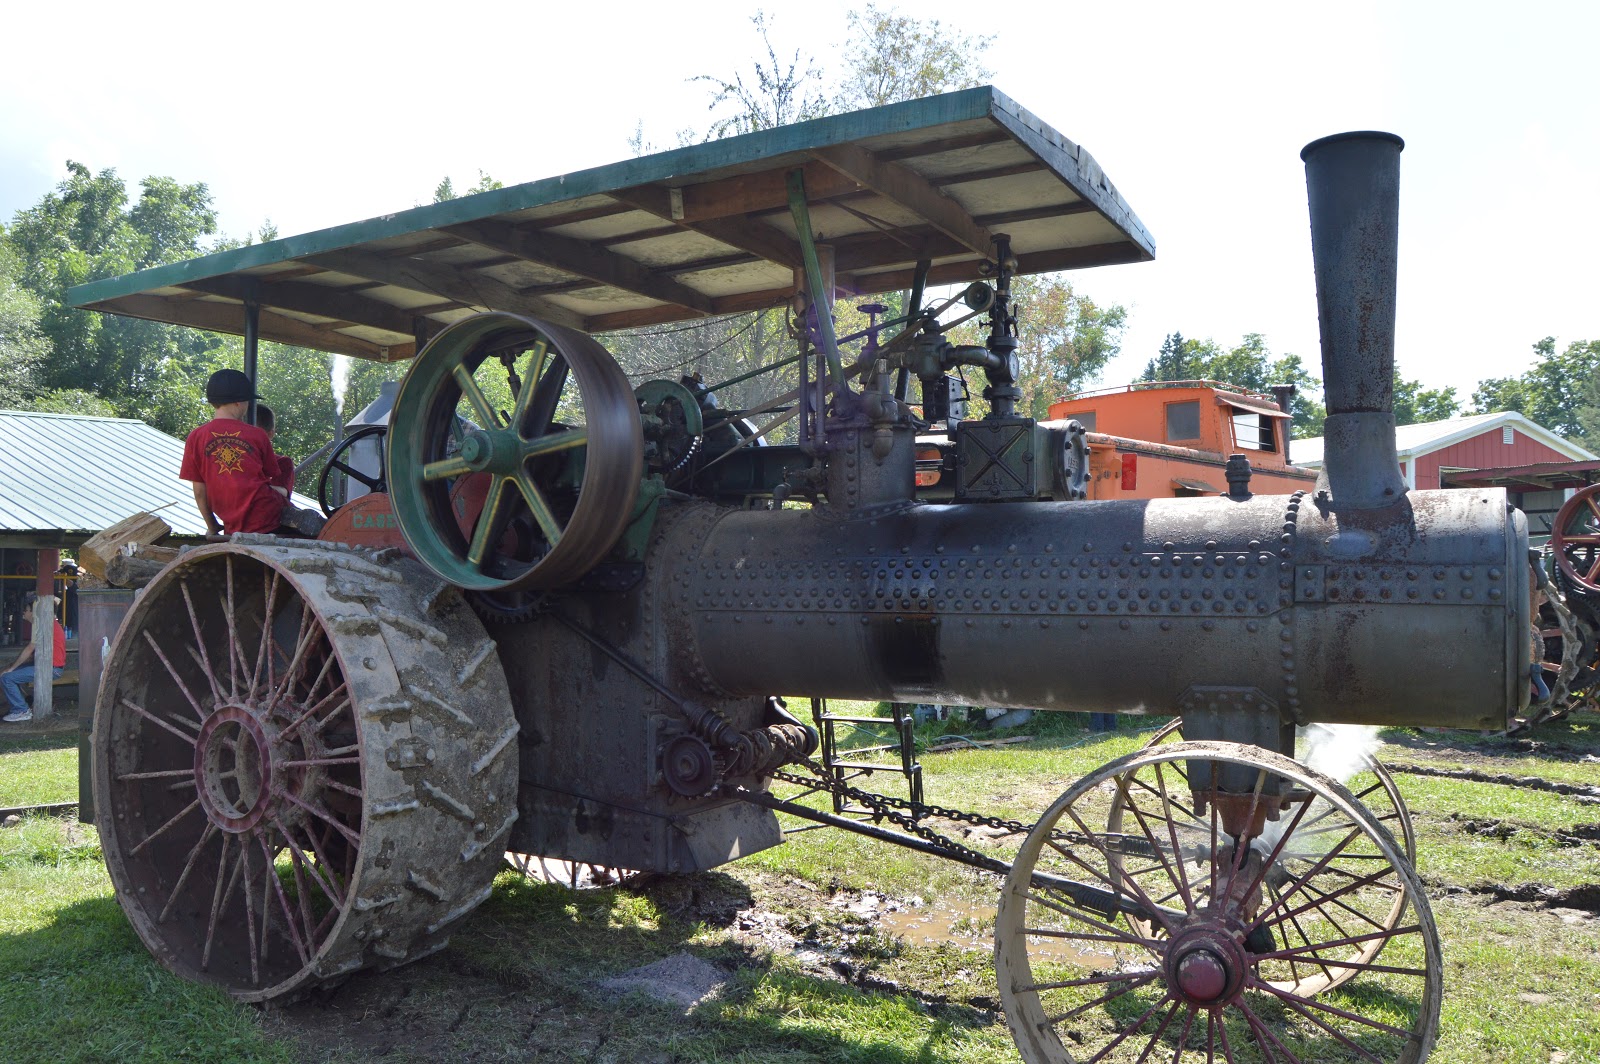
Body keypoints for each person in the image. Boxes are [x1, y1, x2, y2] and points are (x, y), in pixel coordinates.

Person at [181, 370, 324, 537]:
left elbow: (199, 491)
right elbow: (271, 477)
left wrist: (212, 526)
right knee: (322, 530)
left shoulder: (195, 437)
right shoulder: (257, 435)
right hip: (267, 515)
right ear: (239, 402)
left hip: (232, 522)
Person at [2, 593, 65, 723]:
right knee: (9, 673)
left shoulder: (42, 623)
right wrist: (12, 667)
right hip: (49, 666)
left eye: (26, 610)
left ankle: (21, 710)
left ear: (34, 612)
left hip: (51, 669)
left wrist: (12, 668)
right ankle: (24, 705)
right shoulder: (47, 622)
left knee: (7, 678)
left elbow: (30, 648)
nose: (23, 613)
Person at [253, 404, 297, 495]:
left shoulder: (282, 463)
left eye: (253, 434)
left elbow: (283, 492)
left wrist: (250, 486)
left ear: (270, 434)